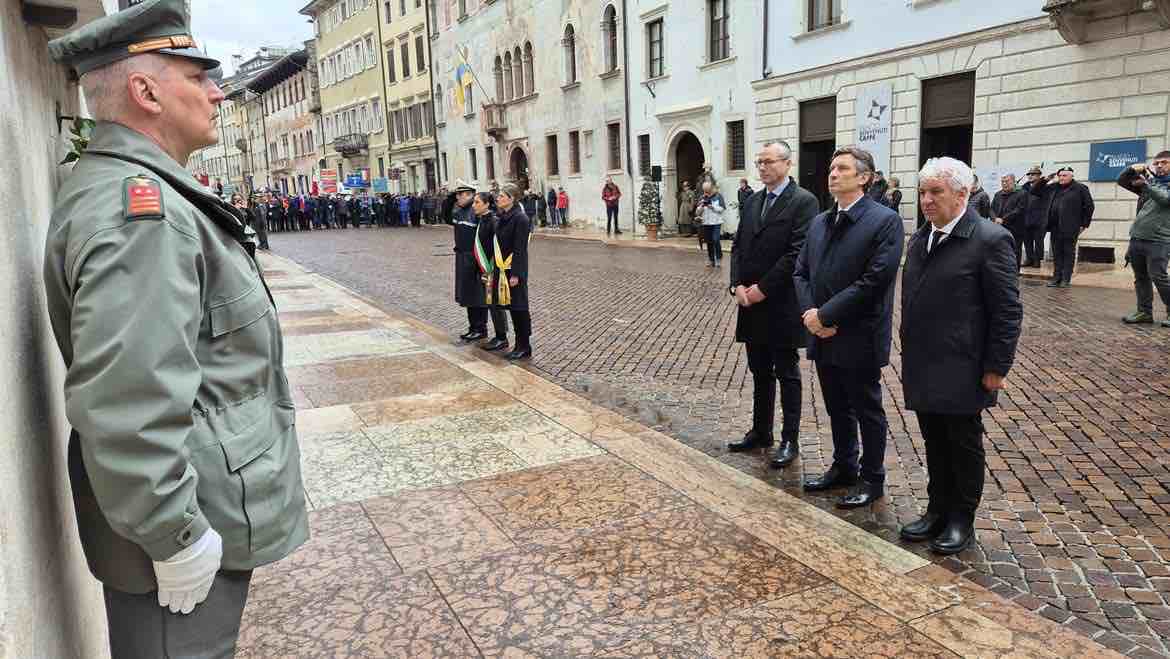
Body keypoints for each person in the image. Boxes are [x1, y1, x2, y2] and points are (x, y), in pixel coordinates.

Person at [43, 2, 309, 656]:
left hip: (200, 502)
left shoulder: (148, 194)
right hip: (182, 531)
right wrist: (176, 536)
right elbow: (128, 400)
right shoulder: (143, 214)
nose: (217, 93)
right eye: (198, 77)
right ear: (146, 92)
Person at [899, 157, 1022, 554]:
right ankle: (937, 509)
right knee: (934, 441)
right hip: (924, 361)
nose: (926, 200)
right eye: (923, 192)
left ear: (963, 194)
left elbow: (1007, 311)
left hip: (963, 365)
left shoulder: (990, 240)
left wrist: (996, 367)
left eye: (936, 192)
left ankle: (961, 519)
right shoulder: (921, 238)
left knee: (962, 444)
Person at [794, 146, 904, 509]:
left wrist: (826, 316)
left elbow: (875, 280)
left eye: (842, 168)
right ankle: (844, 466)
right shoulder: (820, 222)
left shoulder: (885, 221)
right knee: (836, 406)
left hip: (858, 333)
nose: (833, 173)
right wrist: (812, 315)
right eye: (831, 168)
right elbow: (801, 272)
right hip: (822, 331)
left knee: (866, 408)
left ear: (864, 177)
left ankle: (872, 478)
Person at [727, 141, 819, 467]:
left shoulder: (804, 202)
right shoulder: (753, 200)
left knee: (787, 372)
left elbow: (797, 253)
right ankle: (760, 430)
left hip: (781, 303)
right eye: (759, 162)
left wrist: (762, 290)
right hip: (750, 303)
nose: (763, 167)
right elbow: (739, 245)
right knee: (759, 370)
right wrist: (736, 284)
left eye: (769, 161)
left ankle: (789, 439)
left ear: (787, 163)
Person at [1117, 153, 1170, 326]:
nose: (1159, 165)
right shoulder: (1151, 184)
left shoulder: (1151, 185)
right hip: (1138, 237)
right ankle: (1144, 312)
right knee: (1141, 277)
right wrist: (1132, 169)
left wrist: (1147, 184)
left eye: (1164, 162)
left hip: (1159, 240)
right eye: (1156, 163)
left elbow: (1165, 199)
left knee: (1158, 277)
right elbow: (1122, 181)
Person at [452, 181, 507, 343]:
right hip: (472, 260)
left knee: (486, 299)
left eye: (477, 202)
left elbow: (497, 244)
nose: (474, 206)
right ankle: (477, 328)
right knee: (472, 296)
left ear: (486, 204)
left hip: (485, 263)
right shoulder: (480, 218)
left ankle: (493, 333)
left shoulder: (492, 220)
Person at [486, 184, 534, 360]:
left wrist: (516, 274)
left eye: (501, 196)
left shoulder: (520, 219)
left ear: (511, 198)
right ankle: (518, 344)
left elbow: (520, 249)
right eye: (498, 196)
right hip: (501, 269)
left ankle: (524, 346)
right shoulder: (502, 217)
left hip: (514, 271)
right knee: (511, 308)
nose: (497, 198)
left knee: (519, 308)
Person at [1030, 166, 1094, 287]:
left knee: (1068, 253)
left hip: (1071, 226)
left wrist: (1084, 225)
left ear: (1071, 176)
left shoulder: (1080, 188)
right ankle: (1056, 278)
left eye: (1064, 175)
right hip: (1054, 226)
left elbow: (1089, 207)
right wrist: (1045, 180)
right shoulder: (1053, 187)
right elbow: (1034, 191)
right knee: (1057, 253)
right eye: (1060, 176)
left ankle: (1065, 279)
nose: (1061, 178)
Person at [991, 174, 1028, 270]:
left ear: (1013, 182)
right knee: (1000, 251)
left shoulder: (1022, 194)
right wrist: (994, 218)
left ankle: (1014, 272)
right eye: (1002, 182)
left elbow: (1019, 210)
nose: (1004, 184)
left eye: (1007, 181)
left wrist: (1003, 219)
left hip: (1015, 229)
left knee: (1015, 251)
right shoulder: (998, 194)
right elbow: (991, 209)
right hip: (999, 228)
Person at [697, 180, 726, 267]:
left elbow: (722, 209)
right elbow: (697, 212)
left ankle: (719, 258)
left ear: (711, 189)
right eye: (705, 191)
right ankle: (711, 260)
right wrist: (701, 207)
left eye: (707, 191)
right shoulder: (702, 197)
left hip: (716, 222)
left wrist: (712, 207)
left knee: (716, 239)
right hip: (706, 222)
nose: (706, 193)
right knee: (709, 241)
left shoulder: (718, 196)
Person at [1021, 167, 1046, 266]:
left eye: (1033, 174)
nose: (1030, 176)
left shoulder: (1044, 187)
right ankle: (1029, 258)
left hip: (1039, 218)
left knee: (1038, 241)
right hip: (1026, 218)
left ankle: (1037, 260)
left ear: (1039, 176)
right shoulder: (1024, 187)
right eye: (1029, 174)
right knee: (1027, 240)